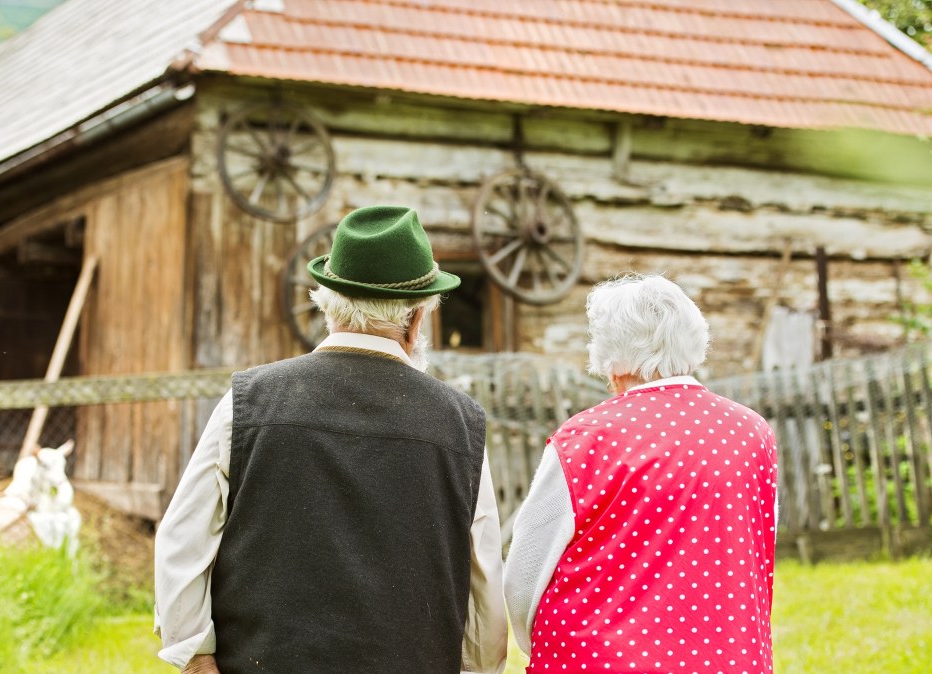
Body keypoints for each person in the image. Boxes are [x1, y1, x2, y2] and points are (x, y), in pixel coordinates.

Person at [154, 205, 508, 674]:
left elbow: (182, 541)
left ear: (326, 303)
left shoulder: (248, 402)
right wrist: (478, 666)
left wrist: (196, 657)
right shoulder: (462, 424)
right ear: (418, 318)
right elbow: (484, 581)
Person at [504, 274, 778, 674]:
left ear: (610, 360)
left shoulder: (585, 438)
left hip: (599, 660)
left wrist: (541, 649)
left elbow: (526, 571)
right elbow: (756, 548)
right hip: (729, 658)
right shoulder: (752, 433)